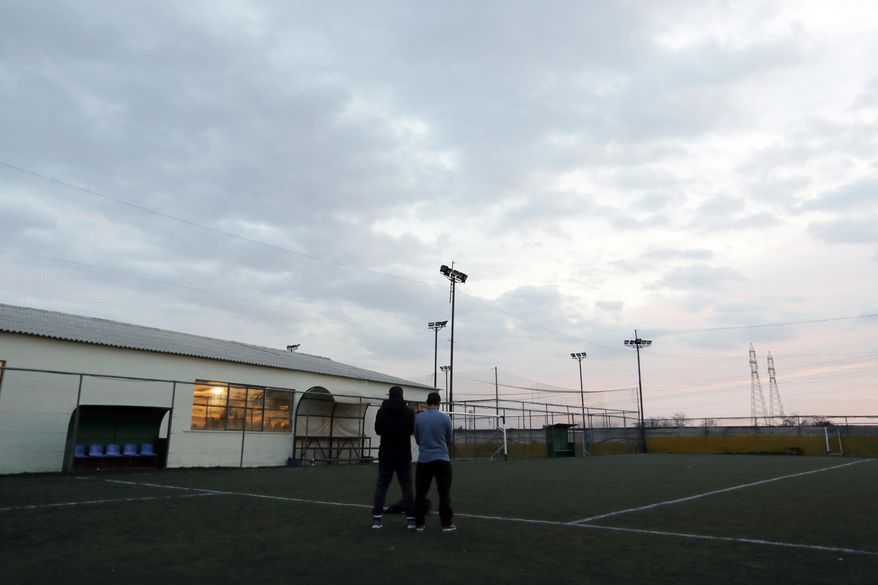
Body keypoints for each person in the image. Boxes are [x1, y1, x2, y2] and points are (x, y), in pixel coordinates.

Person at [371, 385, 416, 530]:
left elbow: (378, 430)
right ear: (402, 396)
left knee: (382, 485)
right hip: (403, 454)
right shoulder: (409, 412)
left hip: (386, 453)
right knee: (407, 486)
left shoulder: (381, 411)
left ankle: (377, 519)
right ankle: (410, 519)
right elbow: (411, 430)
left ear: (389, 395)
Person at [413, 391, 456, 532]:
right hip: (442, 460)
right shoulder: (446, 418)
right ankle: (446, 523)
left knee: (420, 493)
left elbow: (418, 439)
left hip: (424, 459)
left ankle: (419, 523)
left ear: (427, 402)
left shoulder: (418, 418)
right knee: (444, 493)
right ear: (439, 403)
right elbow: (449, 439)